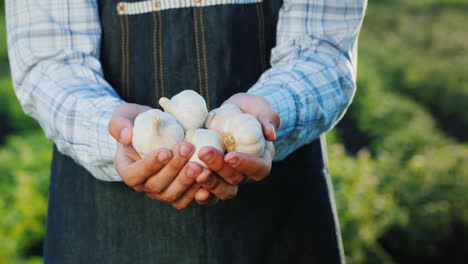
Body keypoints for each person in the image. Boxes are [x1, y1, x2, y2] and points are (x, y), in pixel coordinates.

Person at [6, 0, 367, 263]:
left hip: (281, 218)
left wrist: (273, 109)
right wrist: (113, 131)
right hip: (103, 219)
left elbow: (324, 49)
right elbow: (50, 63)